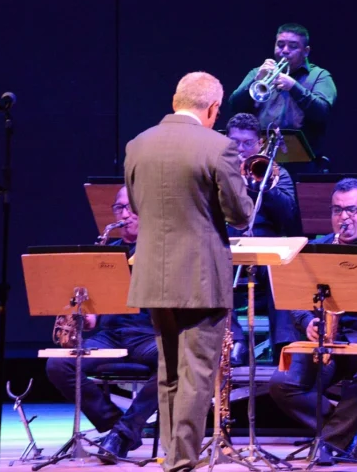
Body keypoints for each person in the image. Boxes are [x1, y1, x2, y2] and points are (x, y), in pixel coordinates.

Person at [124, 72, 254, 472]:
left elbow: (137, 204)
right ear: (213, 108)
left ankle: (171, 457)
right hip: (201, 279)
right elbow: (240, 215)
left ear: (176, 99)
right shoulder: (219, 146)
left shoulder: (137, 145)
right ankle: (181, 463)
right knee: (196, 374)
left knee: (169, 371)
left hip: (153, 275)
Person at [269, 178, 357, 464]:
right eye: (337, 210)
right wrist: (308, 321)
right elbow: (298, 299)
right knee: (281, 383)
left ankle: (332, 441)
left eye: (351, 210)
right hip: (330, 337)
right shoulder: (317, 246)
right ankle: (354, 432)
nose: (344, 217)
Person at [45, 186, 156, 462]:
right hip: (110, 336)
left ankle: (123, 434)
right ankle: (117, 425)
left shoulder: (161, 251)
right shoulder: (105, 253)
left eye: (131, 208)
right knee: (59, 364)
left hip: (148, 335)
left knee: (178, 361)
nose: (125, 214)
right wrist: (82, 315)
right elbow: (93, 315)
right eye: (119, 208)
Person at [224, 112, 301, 366]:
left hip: (267, 250)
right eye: (235, 143)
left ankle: (284, 346)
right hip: (228, 246)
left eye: (247, 143)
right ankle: (234, 341)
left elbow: (289, 218)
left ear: (259, 143)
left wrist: (262, 185)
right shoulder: (217, 173)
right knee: (209, 264)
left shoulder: (277, 174)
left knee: (281, 270)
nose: (241, 149)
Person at [228, 23, 337, 162]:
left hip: (301, 159)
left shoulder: (320, 76)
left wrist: (293, 87)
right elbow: (234, 106)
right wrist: (255, 81)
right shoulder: (258, 72)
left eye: (293, 46)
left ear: (306, 51)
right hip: (259, 155)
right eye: (280, 45)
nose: (285, 50)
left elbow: (322, 113)